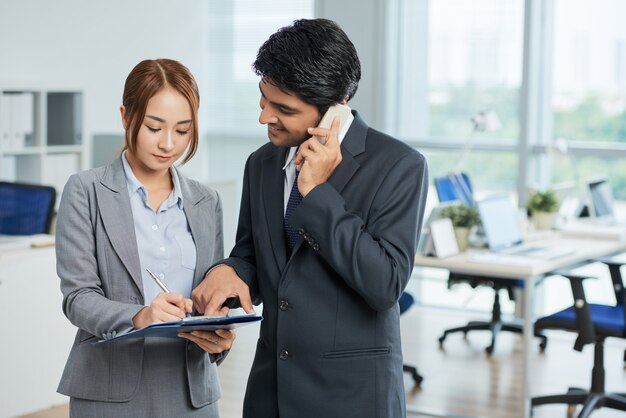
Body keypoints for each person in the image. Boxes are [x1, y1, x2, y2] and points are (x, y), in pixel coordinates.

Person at [192, 19, 429, 417]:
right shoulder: (262, 163)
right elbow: (253, 254)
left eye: (284, 108)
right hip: (271, 393)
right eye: (263, 99)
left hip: (350, 398)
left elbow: (385, 283)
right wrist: (228, 270)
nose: (265, 117)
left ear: (336, 106)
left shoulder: (400, 166)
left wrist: (317, 192)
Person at [55, 58, 234, 417]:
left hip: (191, 393)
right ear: (126, 116)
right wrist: (141, 316)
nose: (168, 144)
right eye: (154, 127)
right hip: (108, 391)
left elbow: (210, 296)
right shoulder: (85, 191)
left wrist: (219, 337)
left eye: (183, 131)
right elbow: (78, 298)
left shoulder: (206, 201)